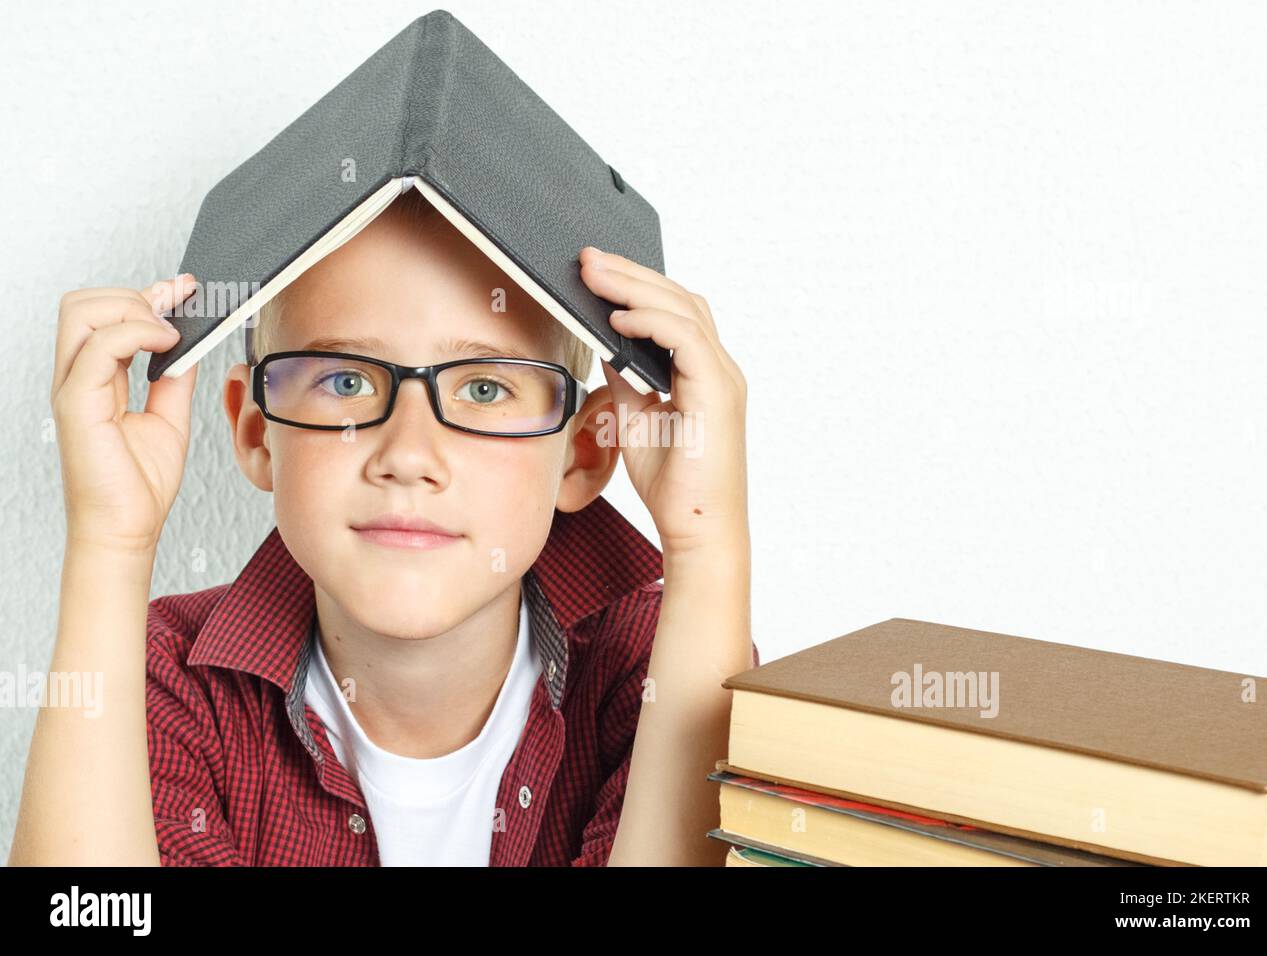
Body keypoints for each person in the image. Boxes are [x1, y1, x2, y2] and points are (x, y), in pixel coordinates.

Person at [9, 186, 757, 866]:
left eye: (484, 388)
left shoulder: (661, 662)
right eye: (346, 380)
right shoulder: (168, 682)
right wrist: (110, 543)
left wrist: (703, 541)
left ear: (582, 452)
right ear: (256, 431)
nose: (407, 456)